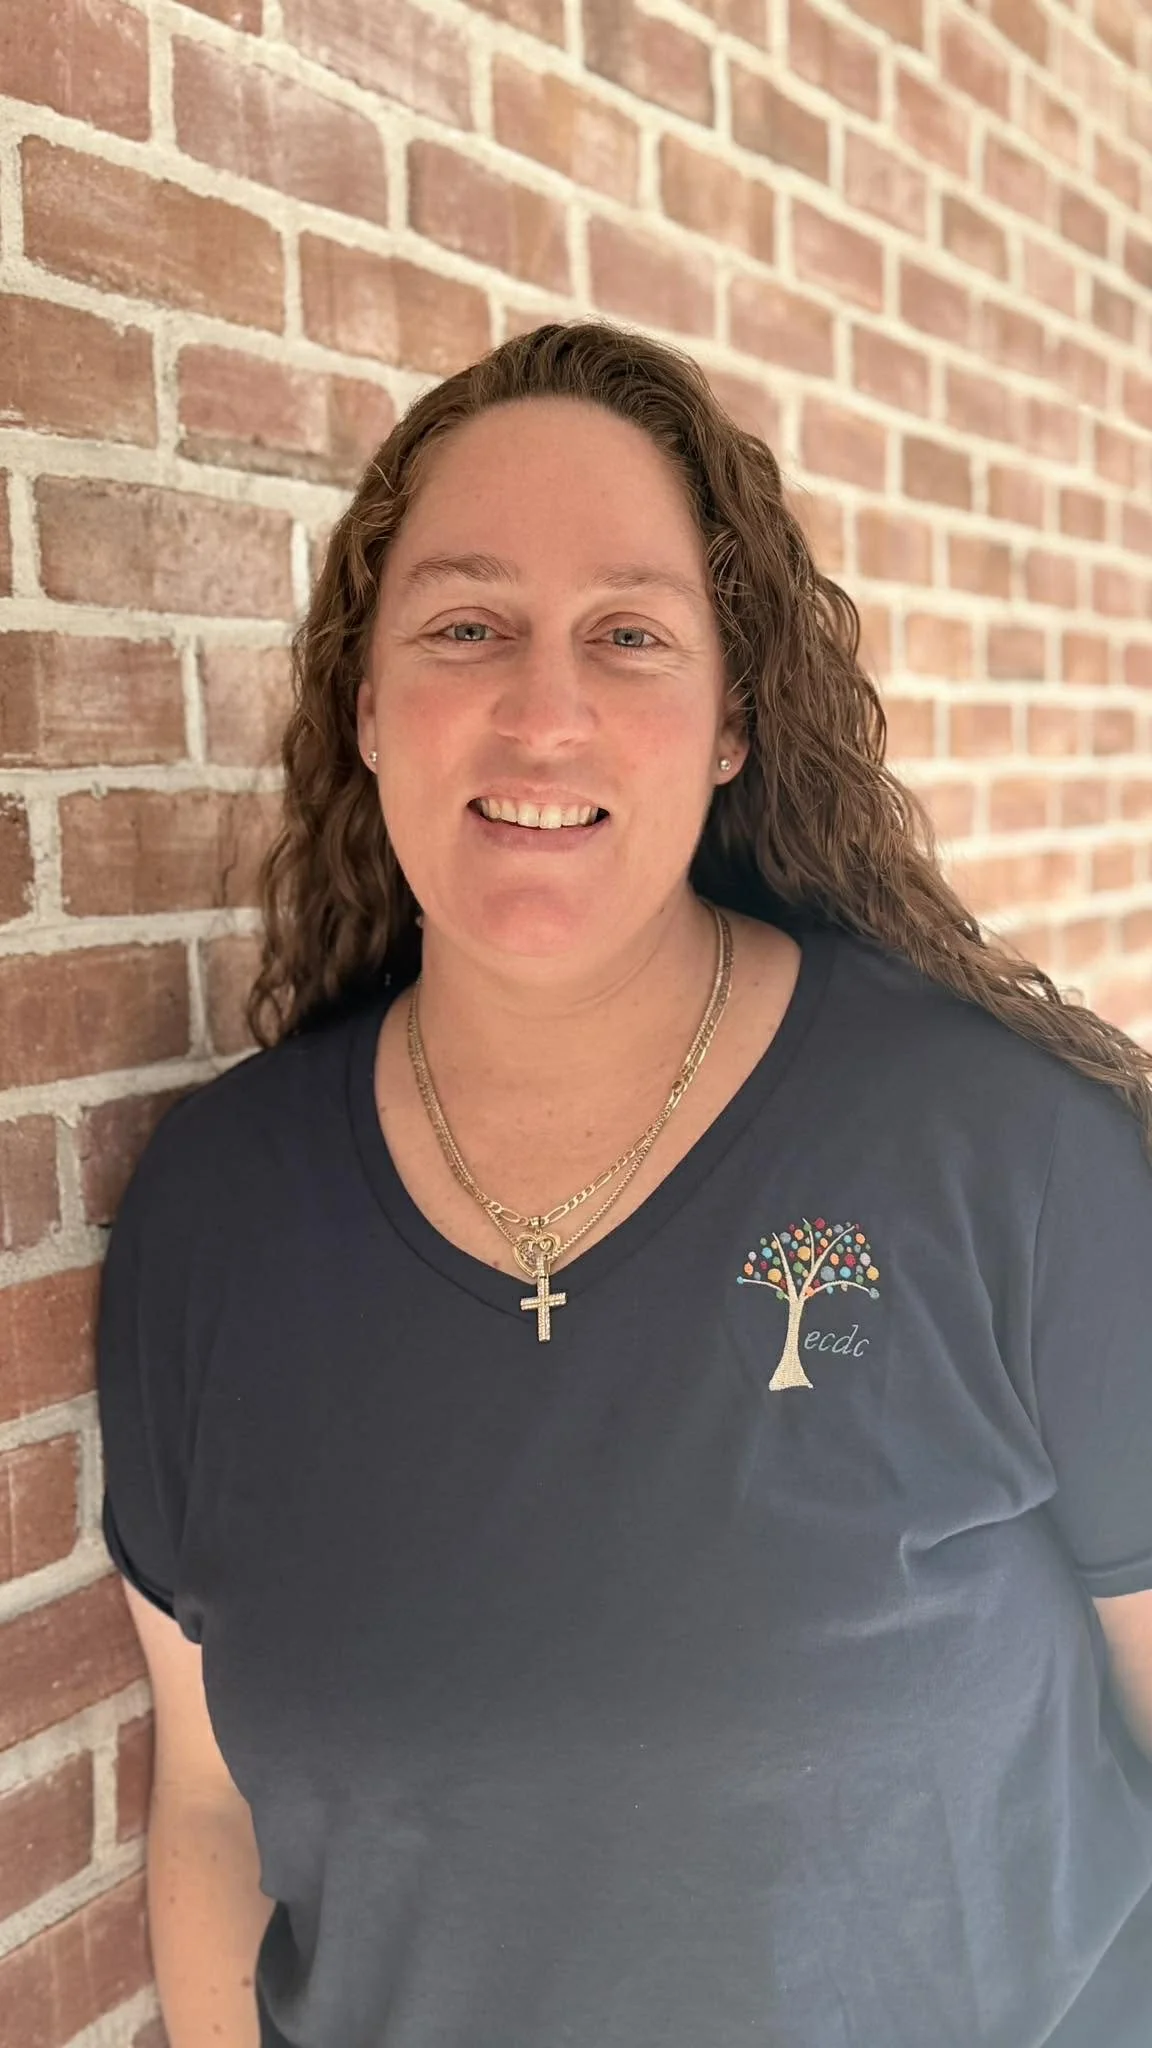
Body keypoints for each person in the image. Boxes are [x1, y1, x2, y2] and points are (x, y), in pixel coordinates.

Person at [96, 319, 1152, 2048]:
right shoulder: (213, 1217)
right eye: (467, 627)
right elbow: (211, 1805)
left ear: (732, 721)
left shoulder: (1009, 1161)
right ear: (367, 707)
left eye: (630, 635)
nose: (546, 713)